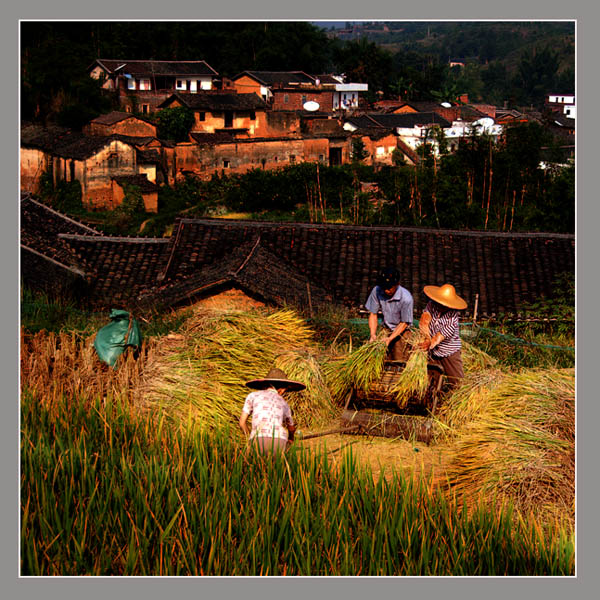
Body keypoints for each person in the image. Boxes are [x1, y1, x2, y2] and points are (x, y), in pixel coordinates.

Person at [239, 367, 305, 455]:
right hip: (279, 441)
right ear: (281, 389)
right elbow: (291, 428)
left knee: (256, 467)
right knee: (277, 467)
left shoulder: (252, 396)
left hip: (257, 441)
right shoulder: (284, 403)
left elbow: (242, 423)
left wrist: (250, 438)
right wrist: (291, 438)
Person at [418, 283, 468, 391]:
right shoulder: (431, 305)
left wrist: (430, 343)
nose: (442, 306)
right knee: (431, 381)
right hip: (433, 351)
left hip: (449, 351)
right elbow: (424, 320)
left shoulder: (453, 318)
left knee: (456, 382)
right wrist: (426, 338)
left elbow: (439, 337)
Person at [365, 267, 414, 361]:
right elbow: (373, 314)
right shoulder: (377, 291)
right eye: (384, 287)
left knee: (399, 361)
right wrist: (373, 334)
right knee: (380, 360)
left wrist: (390, 339)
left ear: (397, 284)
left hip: (401, 333)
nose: (386, 291)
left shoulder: (406, 298)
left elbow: (404, 323)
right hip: (386, 329)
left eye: (389, 288)